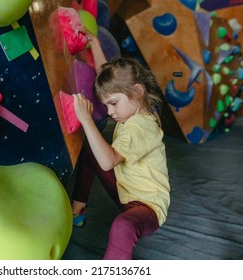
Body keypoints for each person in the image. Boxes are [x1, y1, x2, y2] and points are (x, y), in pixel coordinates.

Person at [71, 30, 170, 260]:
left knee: (123, 226)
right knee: (90, 151)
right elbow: (106, 76)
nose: (109, 111)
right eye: (106, 105)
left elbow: (108, 162)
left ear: (137, 91)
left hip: (146, 207)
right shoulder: (133, 104)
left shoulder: (140, 127)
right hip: (126, 190)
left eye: (113, 103)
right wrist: (94, 42)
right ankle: (78, 210)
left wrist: (86, 120)